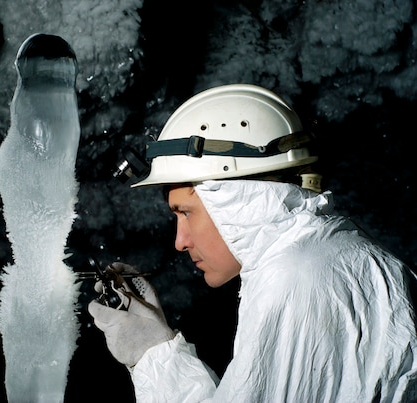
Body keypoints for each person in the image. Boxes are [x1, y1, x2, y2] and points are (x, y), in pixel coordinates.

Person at [88, 84, 417, 402]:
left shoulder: (294, 278)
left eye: (186, 212)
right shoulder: (334, 251)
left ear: (234, 198)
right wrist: (155, 353)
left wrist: (154, 359)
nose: (180, 241)